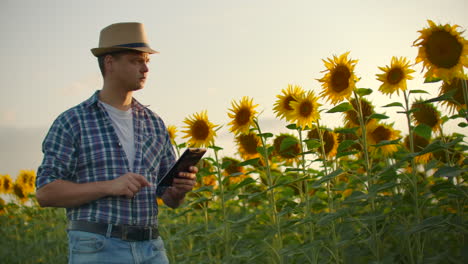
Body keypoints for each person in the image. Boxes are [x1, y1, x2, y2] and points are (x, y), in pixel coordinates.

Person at [35, 22, 197, 264]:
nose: (145, 68)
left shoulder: (154, 123)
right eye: (135, 61)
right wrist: (108, 186)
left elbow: (168, 197)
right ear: (109, 63)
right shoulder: (73, 121)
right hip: (98, 246)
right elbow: (46, 193)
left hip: (151, 247)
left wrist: (179, 191)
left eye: (147, 61)